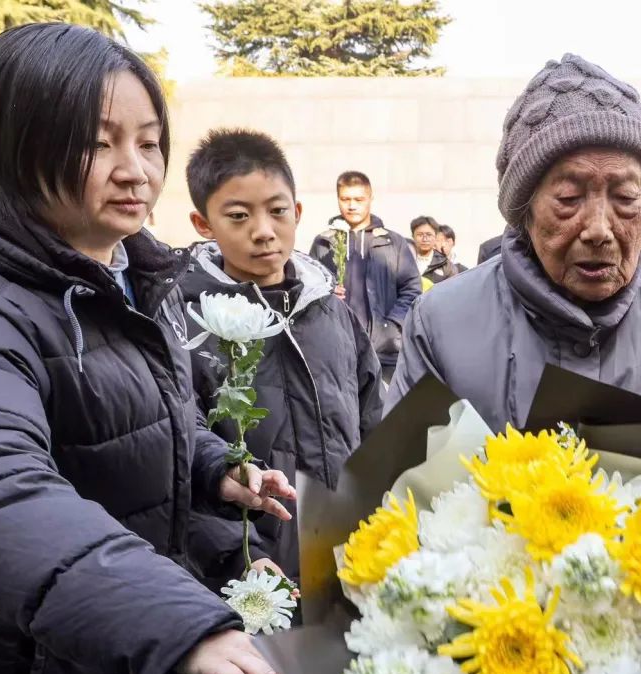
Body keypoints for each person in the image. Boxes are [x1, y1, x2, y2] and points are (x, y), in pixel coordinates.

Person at [0, 24, 305, 674]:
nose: (137, 170)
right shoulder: (0, 304)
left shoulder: (117, 275)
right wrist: (187, 629)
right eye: (99, 145)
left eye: (150, 141)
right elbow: (5, 494)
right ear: (14, 146)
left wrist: (210, 467)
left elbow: (135, 416)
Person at [386, 53, 641, 485]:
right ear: (523, 211)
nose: (599, 230)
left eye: (624, 198)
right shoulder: (440, 324)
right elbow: (397, 490)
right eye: (568, 198)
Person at [182, 128, 383, 582]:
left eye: (277, 212)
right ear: (203, 224)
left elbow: (375, 423)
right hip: (255, 568)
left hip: (351, 556)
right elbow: (185, 450)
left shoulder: (332, 313)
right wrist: (236, 554)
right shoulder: (188, 324)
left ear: (297, 211)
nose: (264, 232)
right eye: (238, 216)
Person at [308, 171, 420, 382]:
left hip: (385, 352)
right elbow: (307, 290)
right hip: (335, 348)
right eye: (345, 199)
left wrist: (392, 327)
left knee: (385, 412)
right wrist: (326, 295)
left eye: (359, 199)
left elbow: (411, 289)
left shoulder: (393, 242)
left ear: (370, 198)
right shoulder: (323, 243)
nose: (352, 206)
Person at [410, 215, 457, 287]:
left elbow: (452, 291)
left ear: (435, 237)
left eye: (429, 235)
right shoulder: (402, 261)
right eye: (420, 235)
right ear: (413, 236)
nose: (425, 239)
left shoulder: (446, 266)